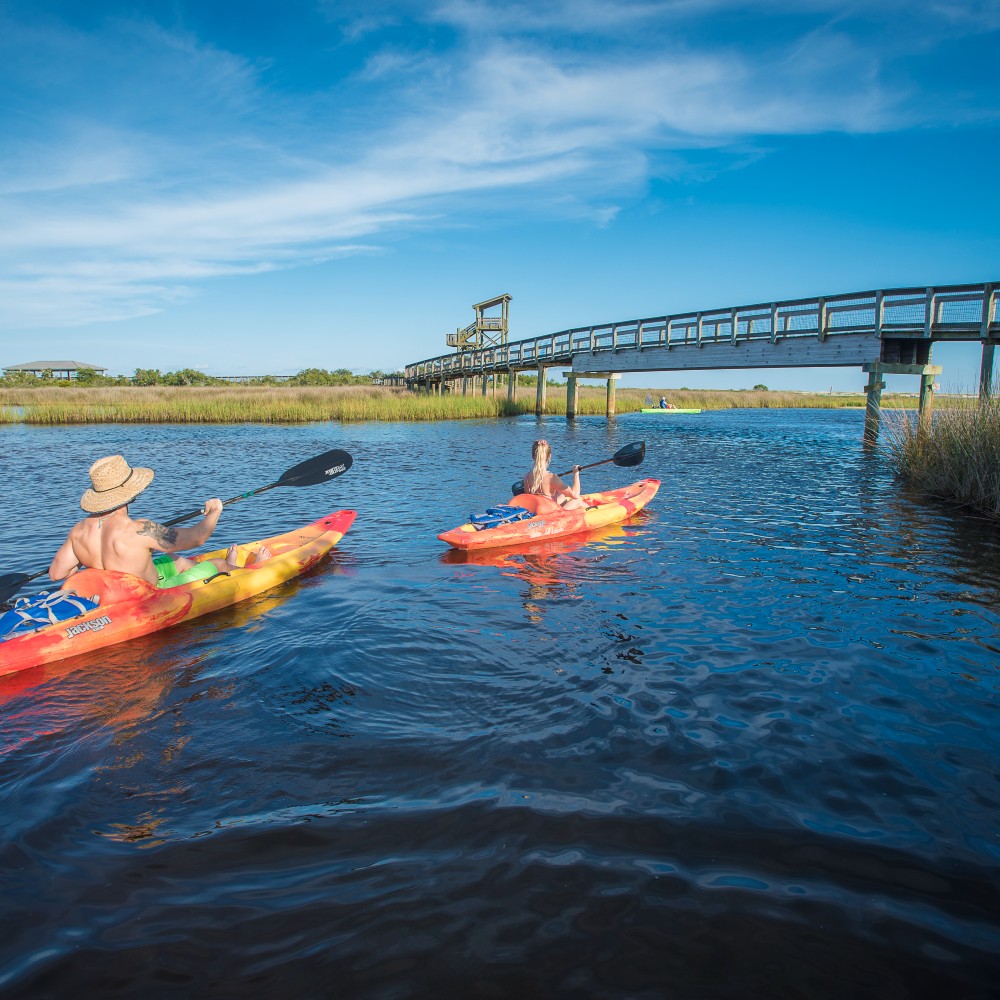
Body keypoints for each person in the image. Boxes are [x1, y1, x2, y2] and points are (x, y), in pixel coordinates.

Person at [49, 454, 269, 589]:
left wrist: (86, 556)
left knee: (177, 560)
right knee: (218, 564)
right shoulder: (141, 529)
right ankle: (249, 567)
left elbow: (57, 574)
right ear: (129, 493)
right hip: (148, 594)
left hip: (114, 592)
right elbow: (198, 538)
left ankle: (202, 567)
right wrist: (214, 512)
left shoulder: (78, 532)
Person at [521, 439, 586, 510]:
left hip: (539, 510)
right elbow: (575, 495)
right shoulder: (551, 477)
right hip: (552, 514)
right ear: (549, 456)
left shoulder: (526, 476)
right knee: (577, 500)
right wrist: (576, 473)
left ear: (533, 456)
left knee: (562, 497)